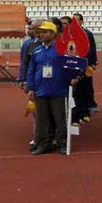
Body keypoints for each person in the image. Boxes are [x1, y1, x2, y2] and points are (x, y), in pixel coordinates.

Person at [26, 21, 71, 155]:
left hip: (58, 90)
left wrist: (72, 79)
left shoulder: (61, 49)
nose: (41, 34)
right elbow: (31, 71)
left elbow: (70, 66)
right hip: (40, 90)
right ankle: (43, 144)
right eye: (40, 32)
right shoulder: (36, 51)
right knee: (41, 120)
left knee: (60, 119)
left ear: (53, 33)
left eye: (45, 32)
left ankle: (63, 143)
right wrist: (31, 88)